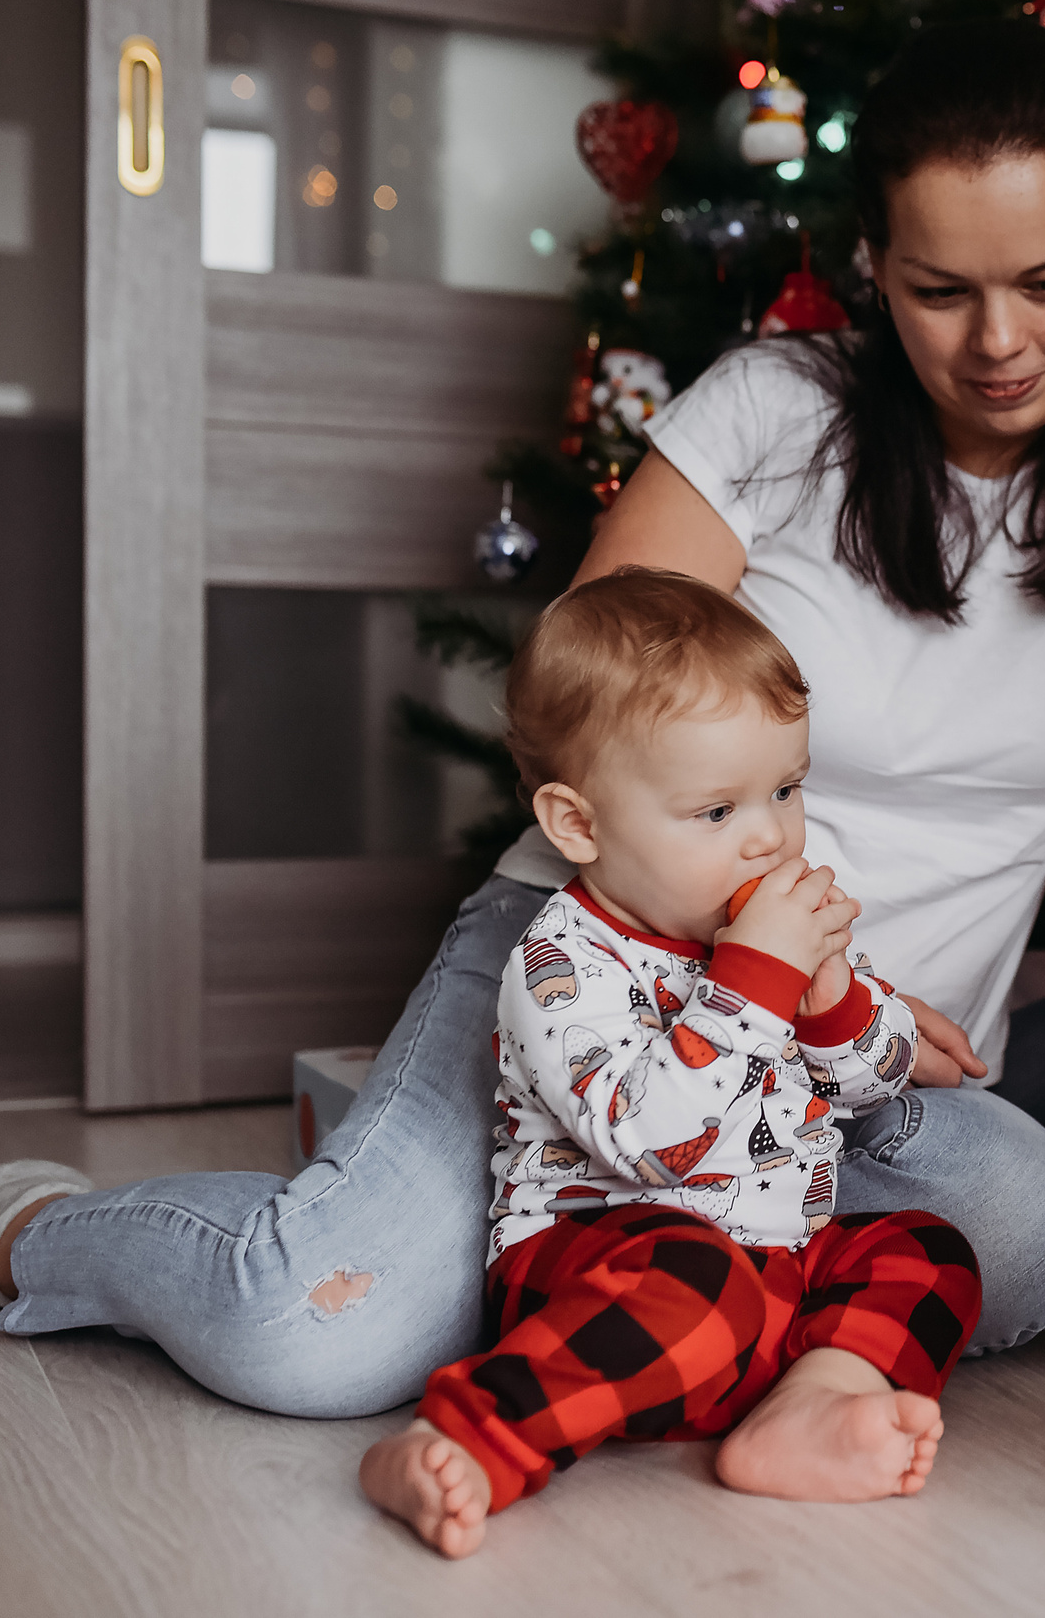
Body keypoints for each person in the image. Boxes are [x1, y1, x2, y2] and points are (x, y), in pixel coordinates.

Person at [0, 18, 1045, 1416]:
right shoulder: (780, 413)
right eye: (939, 289)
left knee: (1031, 1242)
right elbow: (587, 720)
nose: (1001, 341)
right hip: (611, 991)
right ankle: (40, 1226)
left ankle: (582, 1239)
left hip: (849, 1074)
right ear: (873, 268)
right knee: (314, 1335)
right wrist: (765, 968)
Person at [362, 571, 980, 1556]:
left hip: (768, 1278)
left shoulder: (767, 930)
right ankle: (468, 1433)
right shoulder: (562, 964)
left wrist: (836, 1004)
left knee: (926, 1247)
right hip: (604, 1276)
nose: (770, 832)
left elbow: (868, 1085)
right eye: (715, 810)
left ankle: (809, 1405)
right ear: (580, 824)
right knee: (699, 1279)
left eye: (785, 787)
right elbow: (651, 1145)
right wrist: (751, 984)